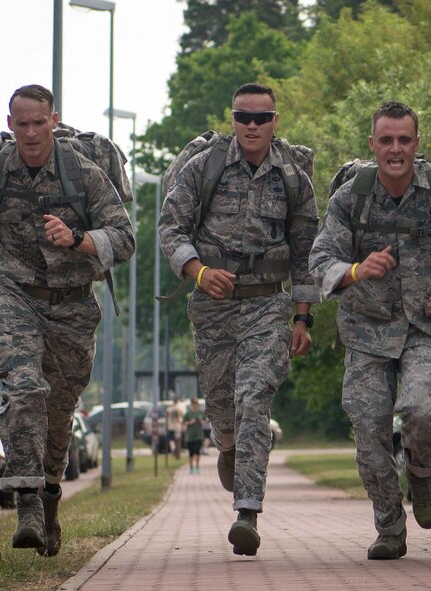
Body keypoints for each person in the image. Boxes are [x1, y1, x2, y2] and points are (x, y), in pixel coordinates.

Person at [0, 84, 135, 556]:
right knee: (24, 386)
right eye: (21, 123)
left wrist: (78, 239)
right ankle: (26, 501)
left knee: (58, 411)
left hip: (72, 304)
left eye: (38, 122)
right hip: (15, 293)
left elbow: (124, 238)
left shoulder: (82, 173)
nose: (30, 132)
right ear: (11, 125)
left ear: (53, 120)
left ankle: (48, 492)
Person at [309, 101, 431, 560]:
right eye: (385, 140)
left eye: (403, 140)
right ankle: (390, 527)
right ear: (372, 145)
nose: (395, 149)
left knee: (422, 411)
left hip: (426, 328)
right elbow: (319, 259)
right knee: (369, 436)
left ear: (417, 144)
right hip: (367, 334)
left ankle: (423, 473)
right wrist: (355, 270)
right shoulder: (351, 197)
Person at [157, 82, 319, 557]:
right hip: (213, 307)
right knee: (224, 404)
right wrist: (198, 271)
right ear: (231, 119)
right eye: (242, 117)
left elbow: (307, 251)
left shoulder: (293, 178)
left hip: (268, 304)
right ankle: (226, 444)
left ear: (276, 121)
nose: (252, 125)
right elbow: (171, 228)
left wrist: (302, 317)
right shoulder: (202, 168)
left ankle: (247, 512)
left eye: (261, 118)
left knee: (254, 399)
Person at [183, 398, 206, 473]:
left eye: (196, 404)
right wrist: (190, 422)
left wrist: (200, 421)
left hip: (199, 435)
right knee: (191, 453)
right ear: (191, 404)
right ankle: (191, 467)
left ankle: (197, 466)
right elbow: (183, 423)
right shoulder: (188, 413)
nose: (195, 405)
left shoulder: (200, 413)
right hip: (190, 436)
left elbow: (204, 422)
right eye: (193, 404)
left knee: (197, 451)